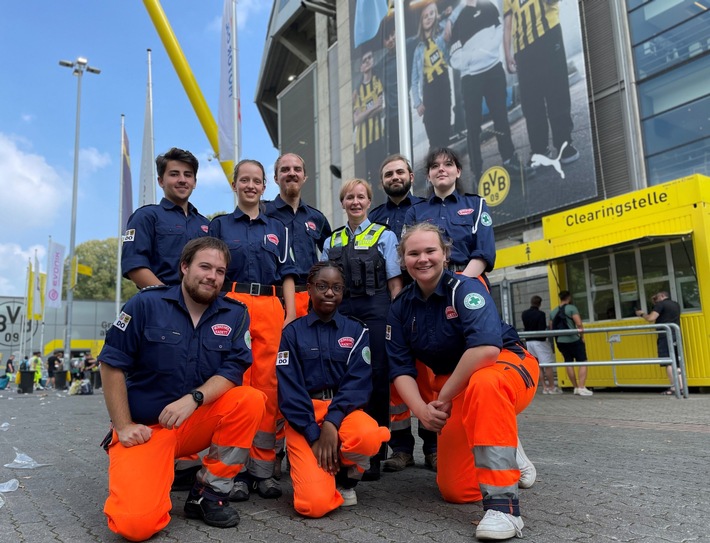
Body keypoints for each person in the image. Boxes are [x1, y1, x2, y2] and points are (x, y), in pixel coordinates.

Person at [98, 237, 265, 541]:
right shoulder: (145, 304)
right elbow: (111, 364)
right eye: (205, 266)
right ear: (185, 267)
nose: (212, 276)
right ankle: (151, 476)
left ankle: (208, 492)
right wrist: (122, 426)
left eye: (220, 271)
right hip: (145, 431)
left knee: (250, 400)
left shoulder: (235, 313)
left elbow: (232, 370)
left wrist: (194, 399)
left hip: (192, 422)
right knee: (135, 526)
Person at [387, 223, 538, 540]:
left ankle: (504, 509)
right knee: (456, 491)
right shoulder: (400, 306)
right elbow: (400, 368)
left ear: (445, 254)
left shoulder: (466, 289)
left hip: (507, 366)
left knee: (485, 383)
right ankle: (510, 447)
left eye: (431, 251)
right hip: (456, 383)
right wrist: (422, 412)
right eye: (414, 253)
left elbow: (484, 351)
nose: (423, 259)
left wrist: (443, 398)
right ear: (404, 260)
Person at [209, 159, 297, 501]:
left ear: (264, 186)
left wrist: (289, 314)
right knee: (235, 386)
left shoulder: (279, 229)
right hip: (231, 304)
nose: (250, 185)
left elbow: (288, 274)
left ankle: (263, 470)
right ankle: (234, 471)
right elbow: (212, 272)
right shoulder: (218, 227)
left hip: (271, 306)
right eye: (244, 180)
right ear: (234, 185)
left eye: (256, 180)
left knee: (268, 388)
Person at [277, 262, 390, 517]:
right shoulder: (292, 334)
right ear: (309, 289)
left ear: (343, 292)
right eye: (322, 286)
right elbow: (289, 389)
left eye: (336, 288)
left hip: (343, 412)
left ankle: (347, 478)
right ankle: (324, 474)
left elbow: (358, 382)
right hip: (304, 416)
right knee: (314, 506)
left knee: (369, 435)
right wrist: (313, 434)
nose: (329, 293)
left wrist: (332, 422)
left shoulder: (357, 331)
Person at [322, 179, 403, 480]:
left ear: (369, 202)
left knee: (378, 377)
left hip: (377, 310)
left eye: (361, 197)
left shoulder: (385, 235)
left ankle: (376, 454)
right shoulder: (331, 241)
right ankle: (348, 448)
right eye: (349, 197)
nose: (355, 202)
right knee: (345, 378)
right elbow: (321, 283)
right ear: (342, 203)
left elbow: (395, 283)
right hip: (341, 313)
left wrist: (395, 320)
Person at [369, 155, 437, 473]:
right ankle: (401, 448)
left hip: (426, 301)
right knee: (397, 378)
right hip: (391, 306)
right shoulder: (374, 217)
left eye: (399, 172)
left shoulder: (425, 209)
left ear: (410, 175)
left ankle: (434, 447)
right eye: (388, 174)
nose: (394, 177)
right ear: (382, 181)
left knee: (428, 375)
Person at [447, 0, 523, 182]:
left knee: (501, 117)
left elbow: (499, 32)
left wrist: (484, 53)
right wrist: (475, 58)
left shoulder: (489, 7)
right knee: (473, 127)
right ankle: (477, 172)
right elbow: (454, 57)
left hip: (494, 71)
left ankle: (509, 159)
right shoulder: (458, 20)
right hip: (470, 79)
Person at [503, 0, 579, 165]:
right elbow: (508, 23)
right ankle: (539, 149)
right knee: (531, 102)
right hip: (523, 48)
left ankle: (564, 144)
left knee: (556, 91)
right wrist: (507, 55)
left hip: (548, 33)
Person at [121, 147, 209, 289]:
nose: (182, 180)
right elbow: (134, 265)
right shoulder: (146, 217)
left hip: (201, 307)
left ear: (194, 182)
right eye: (174, 174)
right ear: (161, 181)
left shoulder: (206, 225)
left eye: (188, 175)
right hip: (159, 304)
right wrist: (167, 298)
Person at [404, 147, 496, 279]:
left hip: (469, 280)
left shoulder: (476, 204)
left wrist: (460, 284)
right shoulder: (414, 212)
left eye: (448, 164)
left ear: (458, 172)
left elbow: (484, 251)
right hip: (428, 283)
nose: (441, 169)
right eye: (435, 166)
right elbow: (409, 255)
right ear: (429, 176)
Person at [265, 153, 332, 317]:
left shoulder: (317, 218)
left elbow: (330, 257)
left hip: (309, 298)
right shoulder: (263, 213)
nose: (292, 173)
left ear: (305, 177)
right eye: (285, 169)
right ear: (275, 178)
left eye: (297, 169)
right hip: (273, 297)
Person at [411, 1, 453, 153]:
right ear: (421, 22)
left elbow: (455, 13)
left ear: (436, 15)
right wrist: (417, 103)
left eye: (431, 14)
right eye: (425, 16)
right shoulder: (418, 50)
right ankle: (433, 171)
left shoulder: (442, 36)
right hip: (429, 91)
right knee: (433, 134)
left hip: (444, 85)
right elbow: (414, 80)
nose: (428, 18)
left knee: (445, 129)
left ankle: (446, 171)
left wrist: (446, 17)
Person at [636, 291, 683, 395]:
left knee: (668, 362)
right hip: (676, 334)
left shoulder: (661, 304)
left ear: (662, 296)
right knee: (676, 362)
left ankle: (674, 388)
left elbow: (651, 318)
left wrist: (642, 314)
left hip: (665, 335)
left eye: (656, 298)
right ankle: (681, 387)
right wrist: (656, 303)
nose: (655, 301)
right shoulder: (676, 304)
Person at [353, 47, 386, 192]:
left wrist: (364, 112)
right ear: (361, 67)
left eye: (369, 58)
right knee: (365, 181)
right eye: (364, 60)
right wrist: (372, 109)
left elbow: (381, 106)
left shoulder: (377, 81)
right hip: (363, 142)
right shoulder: (357, 92)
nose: (367, 62)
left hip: (378, 135)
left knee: (379, 173)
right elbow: (357, 120)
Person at [550, 290, 592, 396]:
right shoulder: (572, 308)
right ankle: (582, 387)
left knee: (568, 362)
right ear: (568, 298)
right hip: (573, 339)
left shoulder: (553, 312)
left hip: (560, 341)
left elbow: (551, 328)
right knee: (583, 361)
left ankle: (575, 387)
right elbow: (578, 323)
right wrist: (582, 336)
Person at [522, 295, 561, 394]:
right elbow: (542, 327)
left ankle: (544, 387)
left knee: (538, 365)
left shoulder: (524, 314)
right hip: (539, 341)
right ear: (540, 303)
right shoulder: (541, 314)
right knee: (547, 364)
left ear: (531, 302)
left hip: (529, 341)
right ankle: (552, 387)